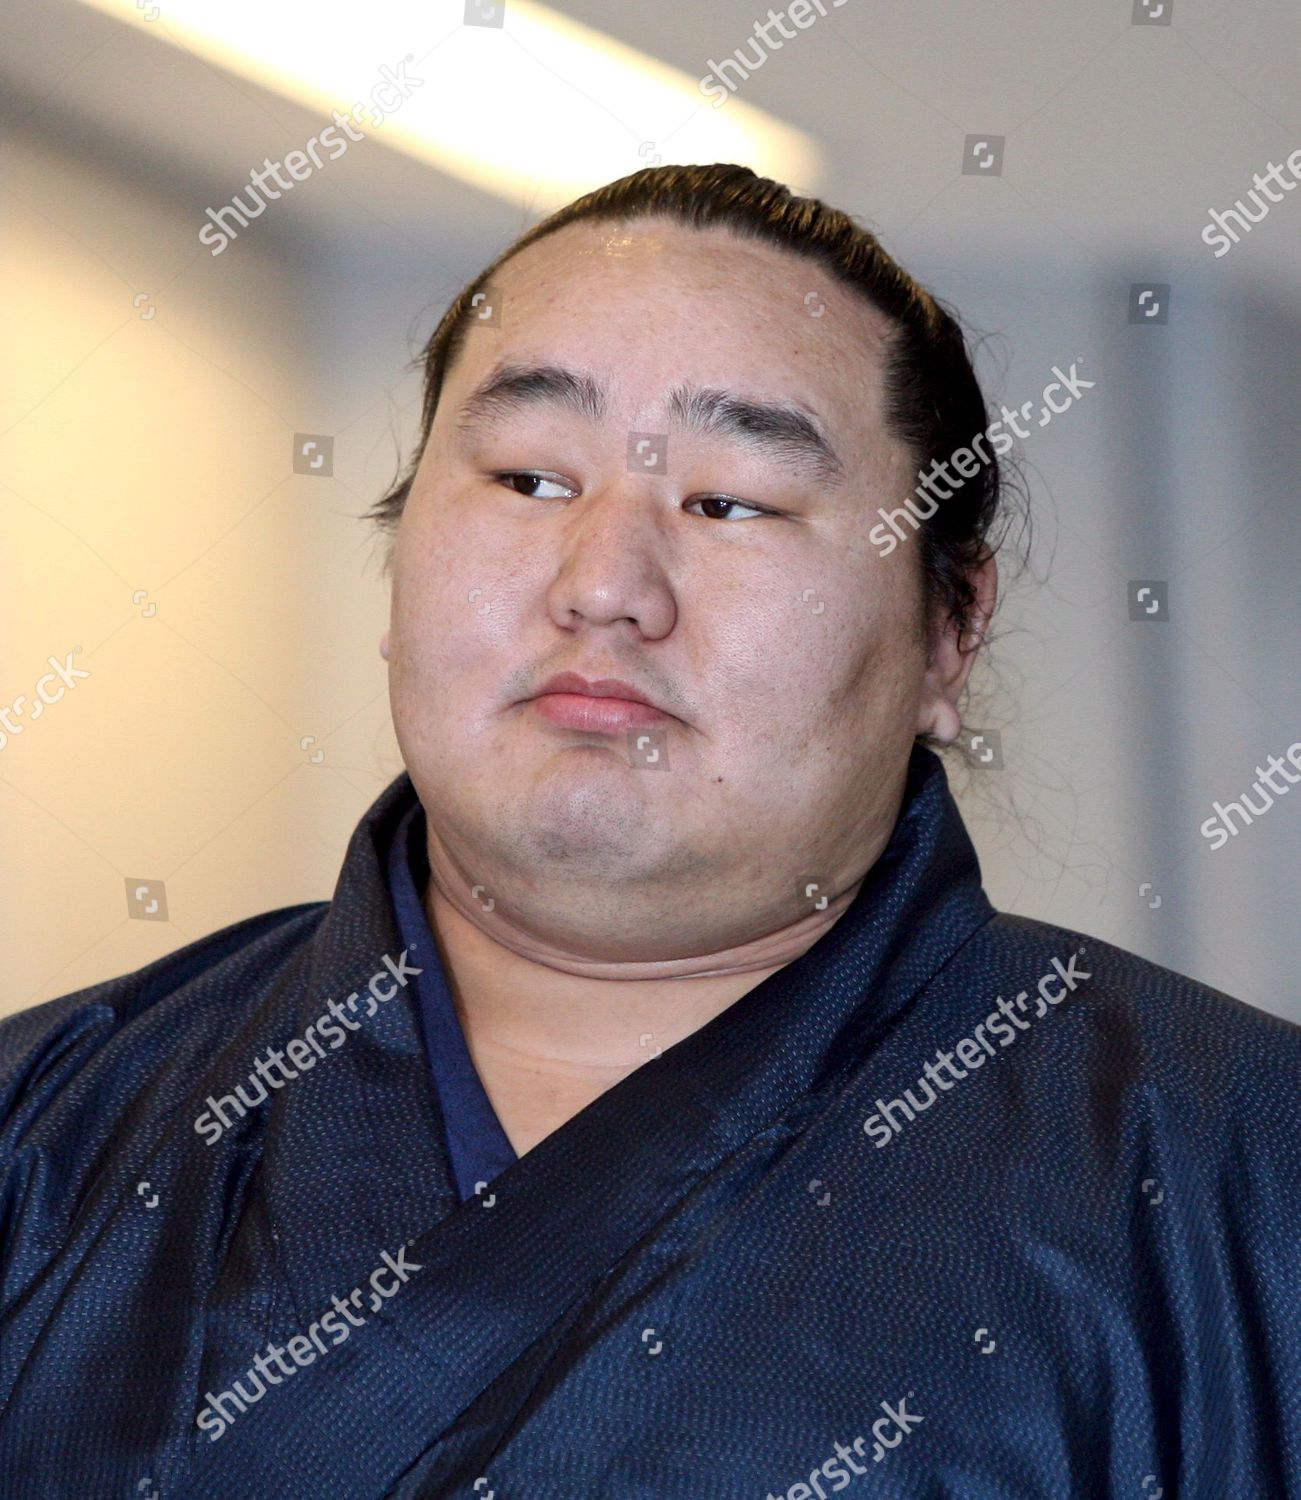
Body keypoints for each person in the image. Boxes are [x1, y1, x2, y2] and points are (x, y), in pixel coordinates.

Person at [0, 163, 1296, 1499]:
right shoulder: (41, 1130)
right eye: (525, 478)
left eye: (731, 502)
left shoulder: (1238, 1178)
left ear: (946, 634)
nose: (603, 585)